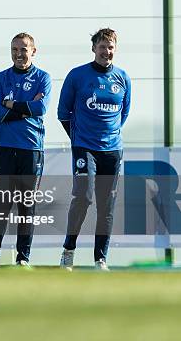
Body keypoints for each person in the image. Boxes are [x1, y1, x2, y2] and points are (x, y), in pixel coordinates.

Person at [58, 28, 131, 271]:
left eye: (110, 47)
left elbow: (124, 113)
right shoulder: (77, 76)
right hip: (84, 147)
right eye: (102, 46)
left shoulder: (122, 78)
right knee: (84, 198)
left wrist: (109, 136)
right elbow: (62, 113)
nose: (106, 51)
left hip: (112, 150)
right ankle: (68, 251)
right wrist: (79, 138)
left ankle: (101, 259)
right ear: (93, 48)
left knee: (106, 205)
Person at [0, 33, 51, 270]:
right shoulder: (0, 78)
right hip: (4, 146)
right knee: (0, 204)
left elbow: (41, 108)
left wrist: (9, 104)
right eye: (15, 49)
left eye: (24, 49)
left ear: (33, 51)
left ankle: (23, 257)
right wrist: (25, 108)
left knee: (26, 205)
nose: (19, 54)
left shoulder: (43, 77)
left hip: (31, 148)